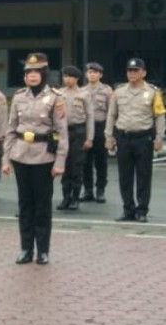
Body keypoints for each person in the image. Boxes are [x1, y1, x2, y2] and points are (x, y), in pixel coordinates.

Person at [2, 53, 68, 265]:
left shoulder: (55, 97)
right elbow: (11, 129)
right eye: (28, 72)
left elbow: (62, 132)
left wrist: (59, 163)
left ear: (44, 74)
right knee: (24, 205)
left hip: (44, 156)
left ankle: (43, 250)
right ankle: (25, 248)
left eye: (36, 72)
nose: (32, 76)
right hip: (21, 155)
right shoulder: (19, 97)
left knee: (42, 206)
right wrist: (6, 159)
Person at [105, 58, 165, 222]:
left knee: (143, 176)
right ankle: (128, 209)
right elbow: (112, 115)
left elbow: (159, 116)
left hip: (143, 138)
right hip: (123, 138)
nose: (132, 73)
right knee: (125, 176)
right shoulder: (119, 92)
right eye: (129, 71)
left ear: (143, 73)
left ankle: (142, 210)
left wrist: (159, 138)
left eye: (135, 70)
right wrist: (109, 136)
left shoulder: (153, 92)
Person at [57, 65, 93, 211]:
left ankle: (75, 198)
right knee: (64, 165)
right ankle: (65, 197)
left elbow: (90, 117)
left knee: (76, 165)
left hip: (78, 131)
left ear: (77, 78)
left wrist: (89, 138)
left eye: (69, 76)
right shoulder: (59, 93)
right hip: (63, 131)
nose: (67, 79)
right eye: (65, 76)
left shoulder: (84, 94)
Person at [81, 62, 113, 203]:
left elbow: (112, 112)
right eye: (89, 72)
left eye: (95, 72)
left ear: (100, 74)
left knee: (101, 161)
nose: (92, 74)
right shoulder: (81, 91)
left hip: (101, 127)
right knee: (85, 161)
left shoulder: (107, 91)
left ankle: (100, 190)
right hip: (86, 128)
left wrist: (110, 134)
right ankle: (87, 190)